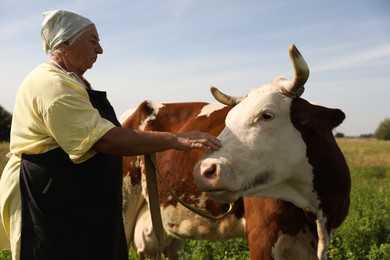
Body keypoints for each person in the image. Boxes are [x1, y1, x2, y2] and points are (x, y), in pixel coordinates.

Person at [0, 10, 221, 260]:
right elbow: (104, 139)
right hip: (50, 200)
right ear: (65, 43)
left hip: (76, 199)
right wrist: (175, 139)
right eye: (93, 41)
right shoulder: (53, 85)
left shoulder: (74, 81)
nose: (100, 50)